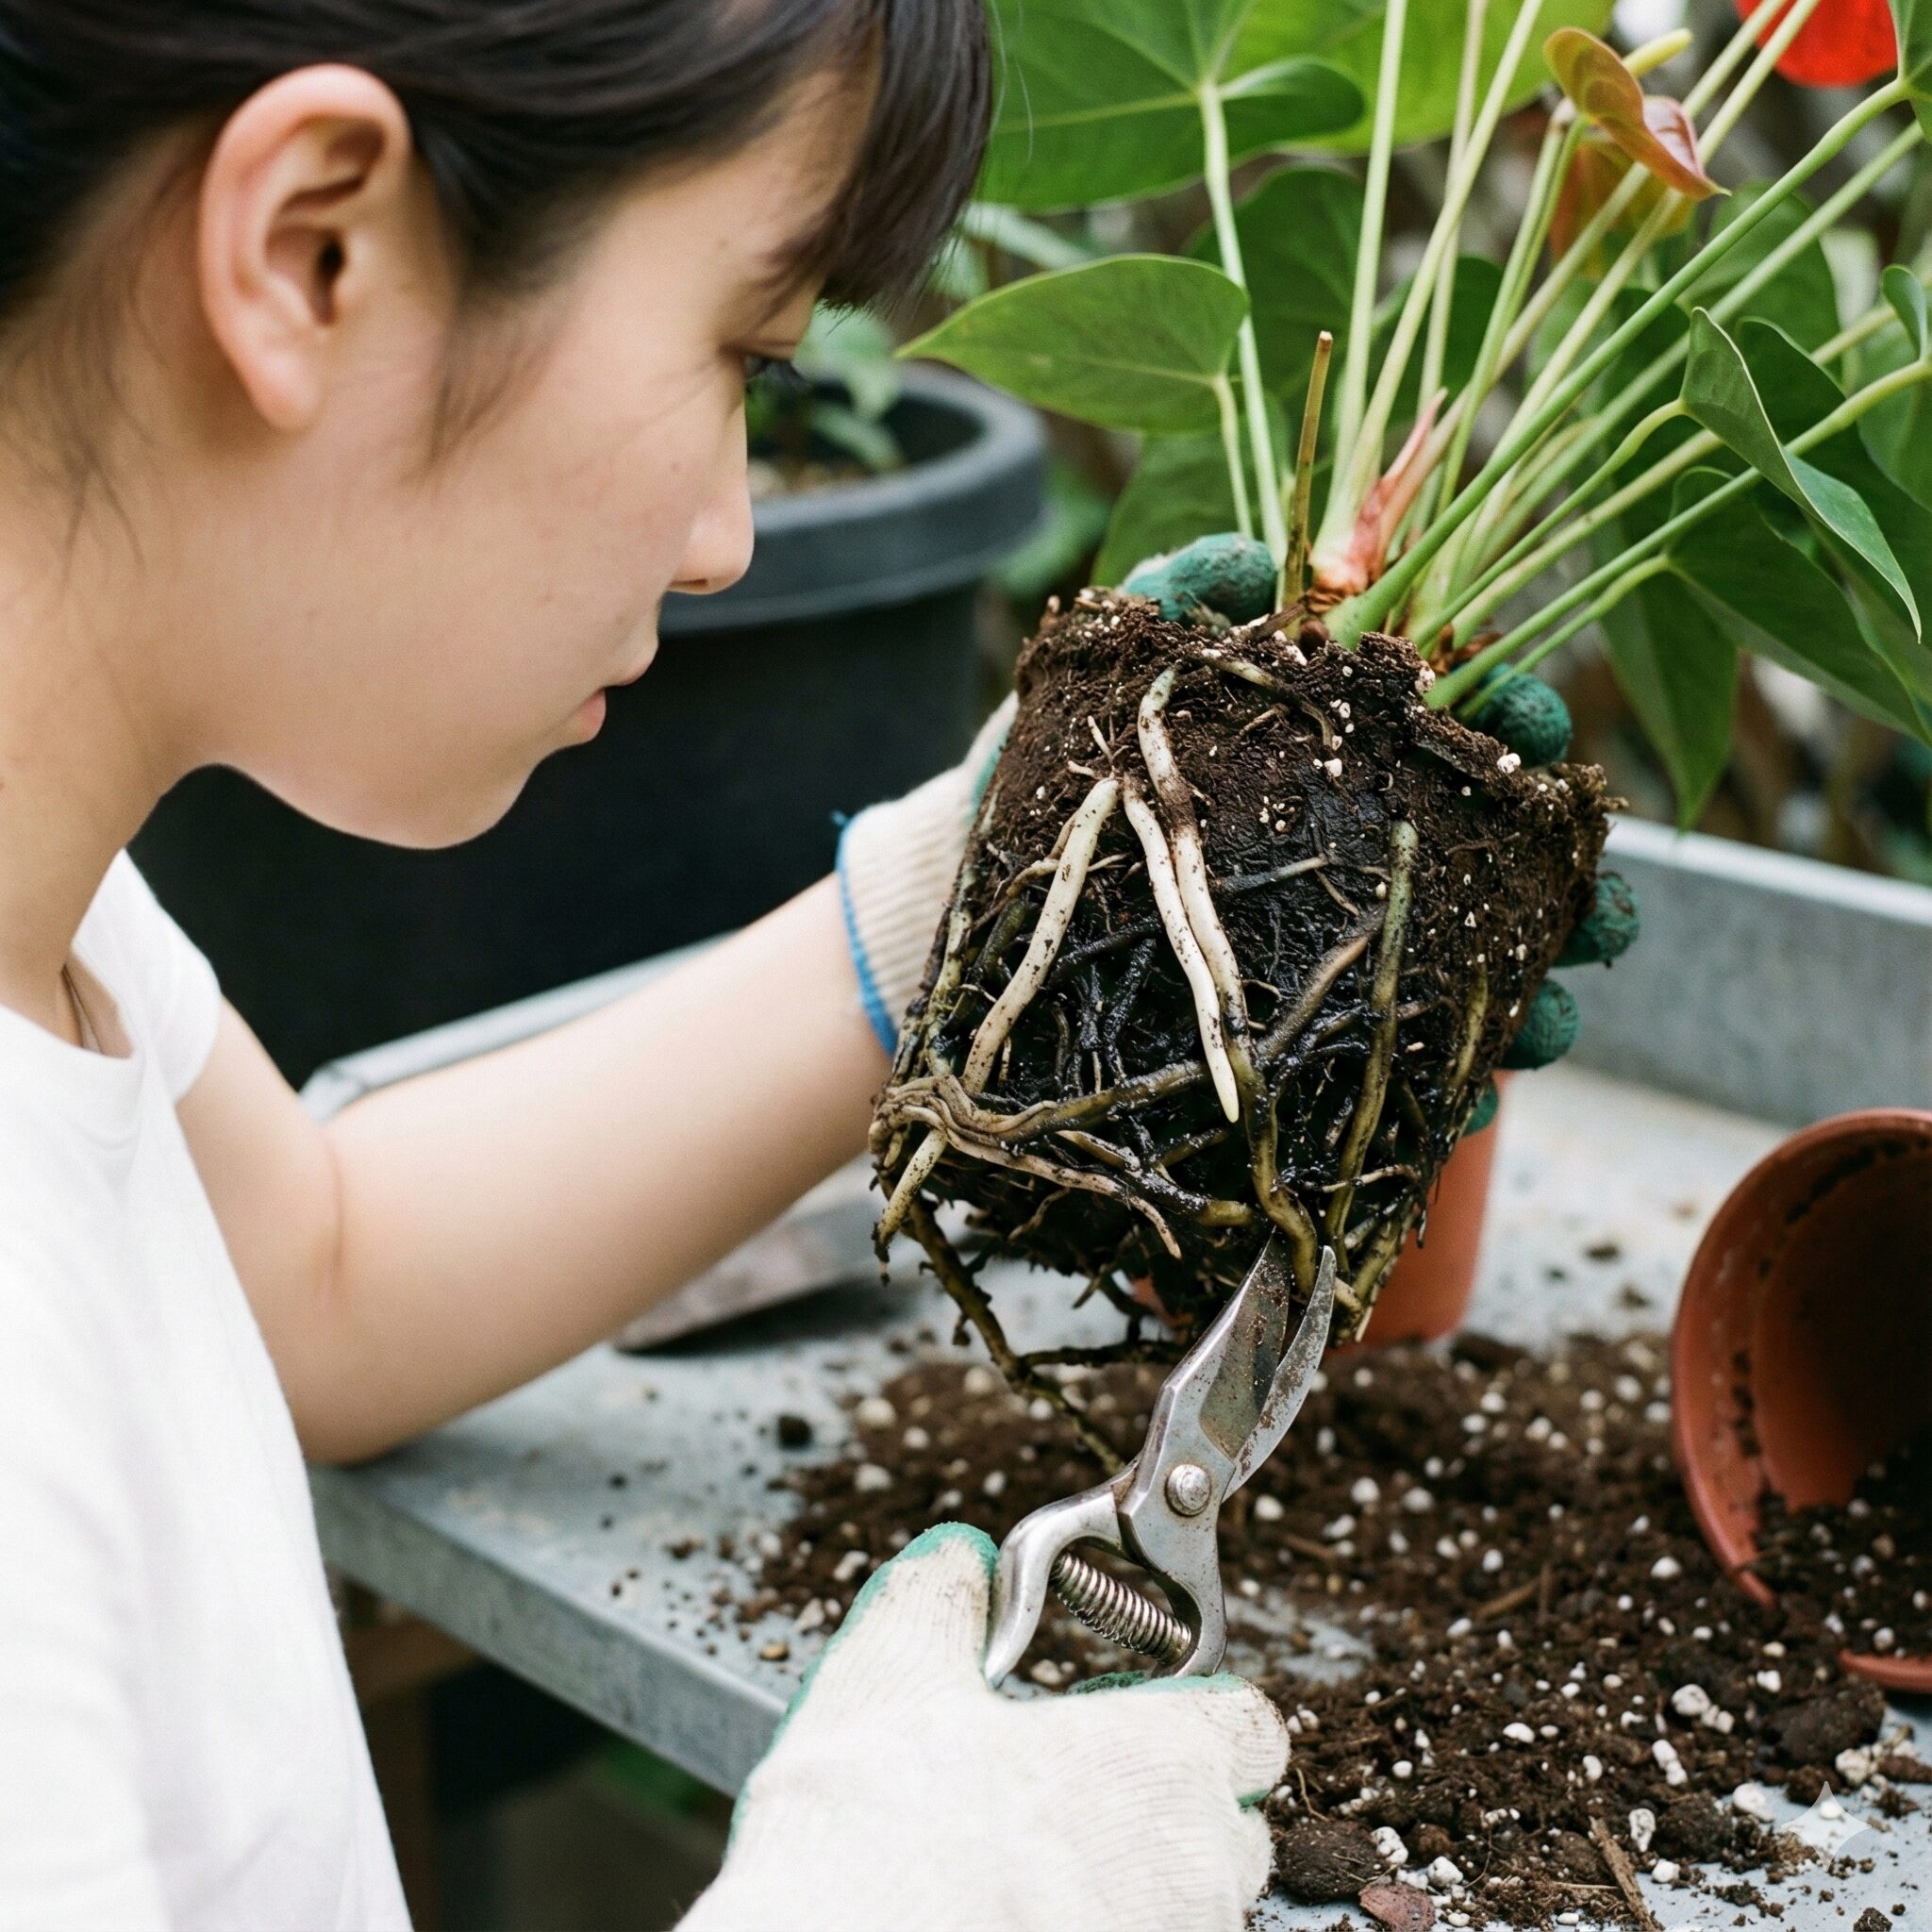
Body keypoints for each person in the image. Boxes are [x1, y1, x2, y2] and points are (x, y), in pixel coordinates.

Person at [0, 6, 1288, 1929]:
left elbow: (323, 1279)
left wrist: (971, 887)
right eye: (741, 358)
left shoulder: (55, 909)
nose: (723, 536)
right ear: (310, 252)